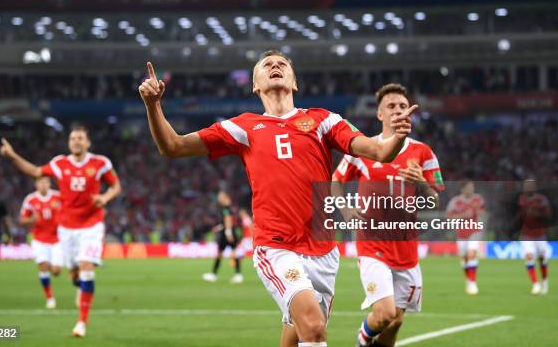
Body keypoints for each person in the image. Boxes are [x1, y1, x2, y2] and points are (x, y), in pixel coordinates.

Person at [138, 51, 416, 347]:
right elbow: (173, 146)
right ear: (255, 86)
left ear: (294, 82)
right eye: (267, 65)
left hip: (322, 250)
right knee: (314, 328)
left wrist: (396, 137)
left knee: (295, 337)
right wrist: (153, 105)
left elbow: (378, 152)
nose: (275, 66)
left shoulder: (323, 121)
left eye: (283, 64)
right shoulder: (243, 128)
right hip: (277, 247)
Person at [332, 83, 443, 347]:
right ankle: (362, 339)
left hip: (406, 248)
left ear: (410, 112)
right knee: (384, 314)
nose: (397, 110)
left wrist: (422, 184)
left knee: (395, 323)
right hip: (372, 245)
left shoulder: (423, 153)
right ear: (380, 114)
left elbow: (435, 199)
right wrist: (345, 208)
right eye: (391, 106)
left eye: (403, 106)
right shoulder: (364, 148)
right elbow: (335, 181)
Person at [0, 125, 121, 337]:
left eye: (80, 138)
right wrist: (11, 156)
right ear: (68, 142)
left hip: (91, 225)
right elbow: (35, 172)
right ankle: (79, 285)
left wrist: (105, 198)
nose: (76, 141)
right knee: (74, 274)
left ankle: (82, 322)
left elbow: (115, 186)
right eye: (73, 138)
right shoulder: (59, 164)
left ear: (88, 143)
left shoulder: (100, 163)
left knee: (86, 267)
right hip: (66, 229)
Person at [19, 175, 63, 308]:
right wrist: (32, 219)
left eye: (45, 182)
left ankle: (50, 266)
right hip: (39, 239)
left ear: (50, 184)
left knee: (56, 271)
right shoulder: (30, 199)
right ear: (36, 185)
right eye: (40, 182)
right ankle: (50, 298)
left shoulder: (59, 196)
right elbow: (22, 220)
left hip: (57, 239)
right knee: (43, 266)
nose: (43, 185)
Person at [445, 180, 486, 295]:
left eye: (472, 187)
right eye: (468, 187)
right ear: (462, 189)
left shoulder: (478, 199)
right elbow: (449, 217)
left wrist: (477, 212)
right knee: (464, 258)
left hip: (475, 231)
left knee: (471, 254)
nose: (471, 190)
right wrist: (463, 216)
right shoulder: (455, 201)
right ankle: (469, 280)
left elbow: (483, 212)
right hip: (461, 233)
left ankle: (472, 282)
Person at [517, 179, 551, 295]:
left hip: (540, 234)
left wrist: (534, 213)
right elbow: (521, 215)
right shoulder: (522, 199)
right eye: (526, 186)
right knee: (529, 257)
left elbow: (547, 216)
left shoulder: (541, 200)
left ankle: (545, 281)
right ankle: (535, 284)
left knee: (542, 260)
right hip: (526, 235)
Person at [202, 190, 244, 284]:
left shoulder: (226, 208)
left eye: (220, 196)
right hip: (228, 231)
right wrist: (219, 227)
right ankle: (216, 274)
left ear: (225, 197)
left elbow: (228, 220)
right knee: (225, 253)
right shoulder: (229, 208)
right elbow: (226, 222)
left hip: (228, 233)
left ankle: (236, 275)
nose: (219, 198)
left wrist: (228, 233)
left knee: (231, 253)